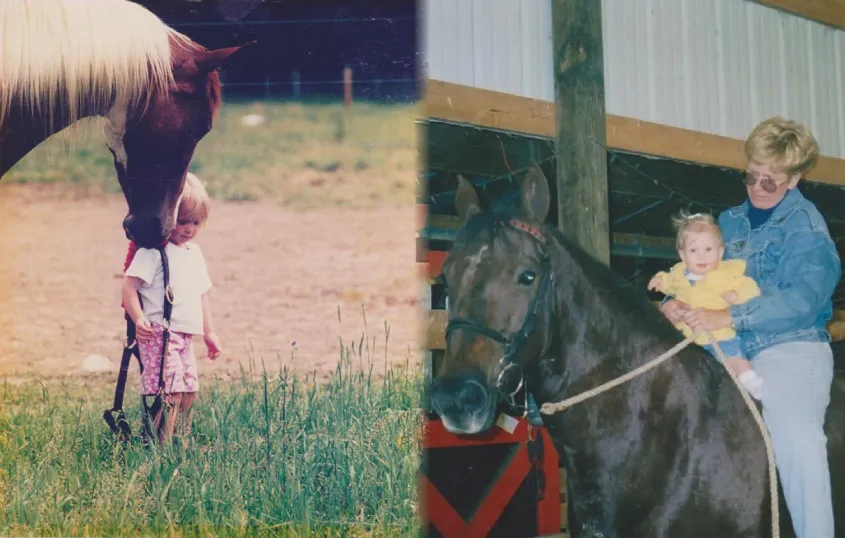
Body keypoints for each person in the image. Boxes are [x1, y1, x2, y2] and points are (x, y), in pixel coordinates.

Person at [661, 117, 840, 538]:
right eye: (750, 176)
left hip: (789, 345)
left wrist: (731, 317)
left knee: (798, 438)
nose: (757, 189)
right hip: (723, 341)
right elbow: (700, 273)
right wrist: (676, 301)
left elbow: (802, 300)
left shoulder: (809, 231)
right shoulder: (729, 222)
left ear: (794, 180)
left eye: (770, 182)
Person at [122, 172, 223, 447]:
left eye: (195, 222)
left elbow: (201, 294)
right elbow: (129, 288)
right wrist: (139, 318)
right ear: (167, 217)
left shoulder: (194, 253)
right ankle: (159, 445)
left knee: (190, 392)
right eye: (182, 221)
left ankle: (181, 439)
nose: (188, 228)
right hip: (160, 334)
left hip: (186, 336)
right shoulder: (153, 252)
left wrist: (209, 331)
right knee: (171, 394)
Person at [647, 211, 764, 400]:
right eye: (693, 251)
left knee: (736, 361)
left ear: (720, 252)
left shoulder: (728, 273)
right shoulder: (678, 273)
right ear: (682, 255)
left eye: (708, 250)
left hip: (720, 338)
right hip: (687, 339)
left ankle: (751, 382)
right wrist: (660, 280)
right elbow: (668, 281)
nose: (701, 256)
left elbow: (751, 287)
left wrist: (736, 294)